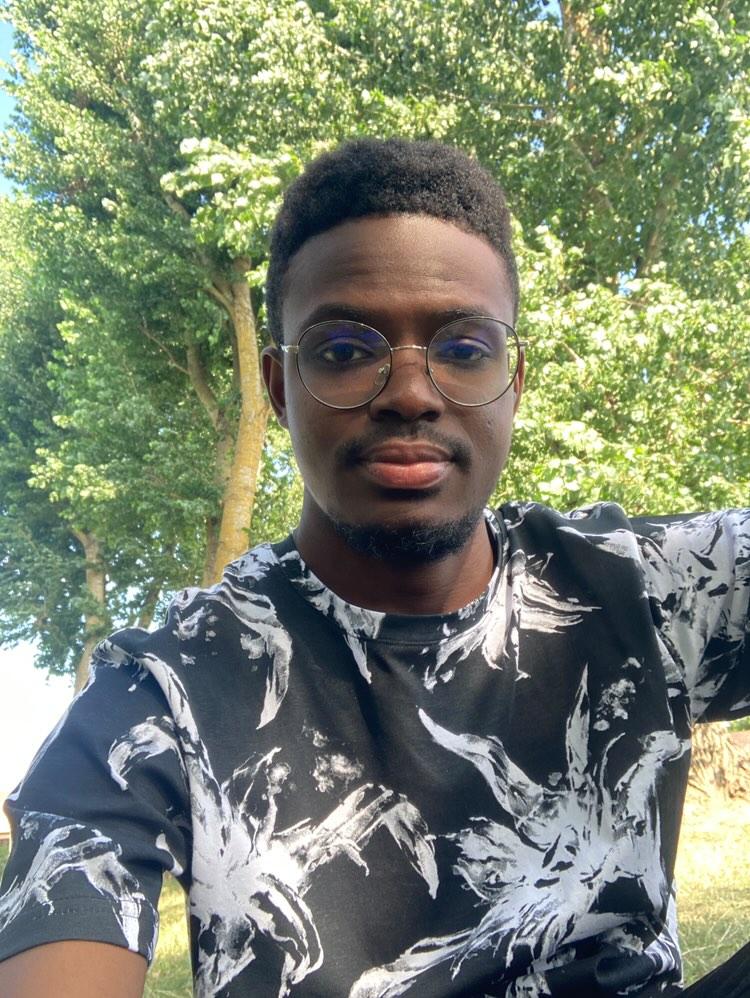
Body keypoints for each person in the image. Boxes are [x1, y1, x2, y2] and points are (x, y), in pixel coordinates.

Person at [0, 138, 747, 998]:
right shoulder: (165, 693)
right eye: (346, 349)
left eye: (464, 348)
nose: (411, 393)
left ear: (514, 381)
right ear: (279, 388)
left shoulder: (647, 587)